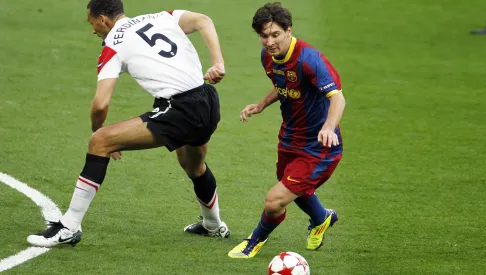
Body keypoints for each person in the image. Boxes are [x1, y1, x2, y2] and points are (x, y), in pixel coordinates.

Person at [27, 0, 230, 247]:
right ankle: (213, 226)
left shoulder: (113, 44)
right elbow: (203, 20)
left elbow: (100, 104)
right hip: (207, 100)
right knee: (193, 166)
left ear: (103, 19)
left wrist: (98, 130)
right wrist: (218, 63)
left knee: (100, 142)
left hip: (180, 109)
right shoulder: (159, 17)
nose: (93, 30)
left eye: (92, 23)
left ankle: (68, 227)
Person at [228, 2, 345, 259]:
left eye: (275, 34)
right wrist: (260, 105)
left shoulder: (309, 59)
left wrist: (328, 127)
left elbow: (338, 98)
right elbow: (283, 85)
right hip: (290, 138)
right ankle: (322, 218)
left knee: (274, 200)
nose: (269, 42)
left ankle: (254, 242)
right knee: (292, 187)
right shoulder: (268, 56)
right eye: (263, 36)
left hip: (318, 147)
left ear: (289, 30)